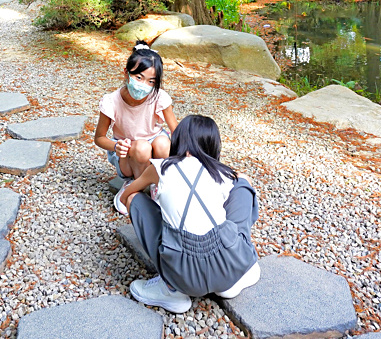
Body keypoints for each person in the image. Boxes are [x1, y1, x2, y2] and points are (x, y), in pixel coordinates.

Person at [117, 114, 261, 313]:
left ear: (178, 140)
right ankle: (236, 276)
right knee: (243, 185)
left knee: (135, 200)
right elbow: (242, 183)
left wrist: (159, 205)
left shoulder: (161, 168)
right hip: (232, 266)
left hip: (182, 275)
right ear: (213, 144)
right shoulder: (222, 173)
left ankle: (171, 290)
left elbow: (126, 195)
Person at [94, 42, 179, 181]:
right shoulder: (111, 101)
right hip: (128, 153)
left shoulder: (159, 97)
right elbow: (99, 138)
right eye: (139, 78)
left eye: (151, 81)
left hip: (155, 147)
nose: (143, 85)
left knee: (164, 143)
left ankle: (161, 183)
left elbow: (176, 130)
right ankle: (138, 187)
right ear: (126, 74)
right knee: (142, 147)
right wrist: (116, 146)